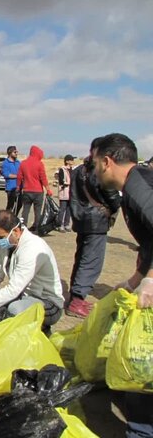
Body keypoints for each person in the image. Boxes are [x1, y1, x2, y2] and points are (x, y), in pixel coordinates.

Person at [91, 133, 153, 437]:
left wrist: (151, 281)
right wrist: (136, 278)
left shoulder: (138, 186)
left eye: (94, 164)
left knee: (144, 362)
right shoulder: (138, 184)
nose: (93, 172)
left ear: (107, 161)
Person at [0, 209, 64, 331]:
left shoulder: (33, 248)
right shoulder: (7, 243)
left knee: (14, 309)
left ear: (16, 231)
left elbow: (14, 289)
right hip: (23, 296)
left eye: (1, 237)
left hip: (48, 303)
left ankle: (42, 330)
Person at [66, 150, 121, 319]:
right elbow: (113, 198)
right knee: (91, 261)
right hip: (96, 222)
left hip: (81, 220)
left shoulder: (77, 171)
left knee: (82, 257)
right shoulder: (101, 172)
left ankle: (74, 297)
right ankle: (77, 300)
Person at [16, 145, 52, 230]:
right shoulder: (40, 164)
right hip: (38, 191)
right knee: (37, 211)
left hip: (26, 191)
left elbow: (19, 177)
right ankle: (36, 227)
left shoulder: (23, 163)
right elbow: (43, 178)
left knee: (25, 210)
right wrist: (48, 190)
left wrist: (18, 188)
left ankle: (23, 226)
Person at [56, 154, 76, 232]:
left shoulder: (73, 170)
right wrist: (69, 183)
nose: (72, 161)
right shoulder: (62, 169)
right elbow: (61, 181)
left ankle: (66, 224)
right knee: (62, 209)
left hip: (71, 193)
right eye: (71, 160)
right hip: (64, 193)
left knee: (69, 210)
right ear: (67, 161)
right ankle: (60, 225)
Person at [1, 145, 21, 213]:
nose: (16, 153)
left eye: (17, 152)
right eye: (15, 152)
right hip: (11, 188)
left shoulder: (18, 162)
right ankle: (6, 219)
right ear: (10, 153)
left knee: (19, 204)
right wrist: (18, 176)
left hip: (19, 187)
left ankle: (14, 218)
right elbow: (6, 174)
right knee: (10, 205)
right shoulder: (6, 163)